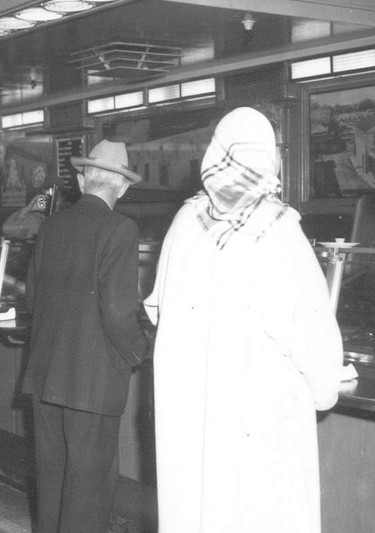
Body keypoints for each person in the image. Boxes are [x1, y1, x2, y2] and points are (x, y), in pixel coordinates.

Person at [143, 107, 342, 533]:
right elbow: (314, 337)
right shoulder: (279, 229)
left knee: (197, 510)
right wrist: (325, 389)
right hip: (262, 419)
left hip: (192, 413)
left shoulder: (182, 222)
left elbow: (156, 308)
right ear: (268, 159)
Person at [22, 140, 149, 533]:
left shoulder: (52, 225)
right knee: (88, 493)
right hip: (92, 382)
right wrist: (139, 351)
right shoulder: (121, 229)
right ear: (123, 187)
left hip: (45, 378)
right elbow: (116, 310)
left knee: (53, 485)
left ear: (81, 179)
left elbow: (32, 295)